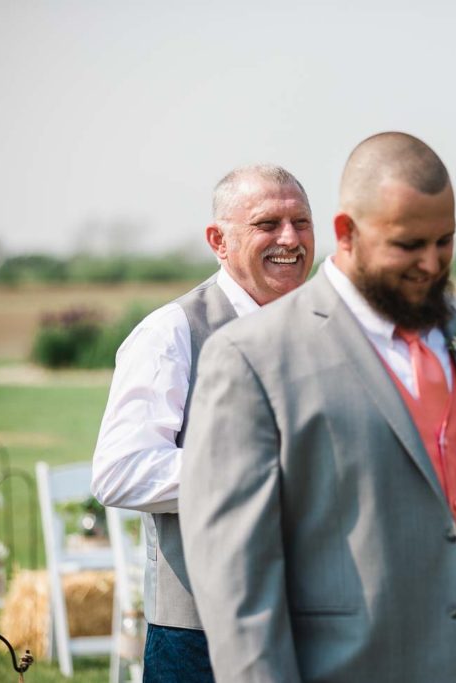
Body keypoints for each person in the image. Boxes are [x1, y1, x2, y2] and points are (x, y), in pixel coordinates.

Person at [178, 132, 456, 682]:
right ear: (346, 232)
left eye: (444, 241)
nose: (431, 264)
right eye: (408, 245)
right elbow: (237, 584)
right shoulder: (252, 359)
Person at [90, 164, 314, 681]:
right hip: (201, 638)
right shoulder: (172, 331)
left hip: (317, 623)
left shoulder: (325, 326)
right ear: (218, 240)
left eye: (301, 222)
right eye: (267, 224)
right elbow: (121, 471)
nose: (290, 238)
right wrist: (258, 471)